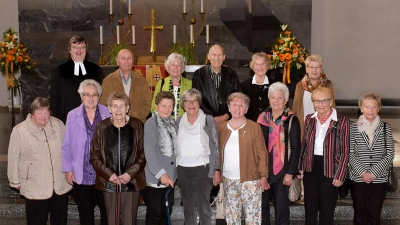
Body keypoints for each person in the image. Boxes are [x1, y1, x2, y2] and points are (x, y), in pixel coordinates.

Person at [8, 97, 72, 225]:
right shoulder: (20, 130)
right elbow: (13, 157)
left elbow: (68, 148)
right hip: (35, 184)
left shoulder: (58, 124)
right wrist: (14, 181)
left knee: (60, 220)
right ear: (32, 113)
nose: (44, 116)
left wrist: (71, 170)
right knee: (36, 221)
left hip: (59, 183)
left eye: (46, 112)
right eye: (39, 112)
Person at [90, 91, 146, 225]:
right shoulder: (101, 127)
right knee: (112, 221)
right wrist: (109, 174)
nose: (118, 110)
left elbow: (143, 153)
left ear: (127, 108)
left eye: (122, 106)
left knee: (129, 221)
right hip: (109, 183)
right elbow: (94, 155)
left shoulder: (137, 125)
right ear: (109, 108)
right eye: (115, 106)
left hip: (131, 182)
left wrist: (129, 174)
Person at [298, 87, 350, 225]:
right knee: (310, 207)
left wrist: (340, 175)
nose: (320, 104)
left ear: (331, 101)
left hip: (331, 168)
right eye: (317, 101)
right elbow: (304, 144)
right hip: (311, 166)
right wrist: (300, 167)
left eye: (324, 101)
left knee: (327, 209)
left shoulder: (342, 121)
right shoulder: (309, 119)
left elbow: (345, 150)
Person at [61, 79, 110, 225]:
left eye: (94, 95)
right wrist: (68, 169)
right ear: (81, 96)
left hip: (104, 173)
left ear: (99, 96)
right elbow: (67, 145)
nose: (91, 98)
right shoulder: (72, 115)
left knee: (106, 212)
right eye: (87, 94)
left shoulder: (108, 112)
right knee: (85, 213)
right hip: (81, 171)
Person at [218, 92, 268, 224]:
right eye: (234, 104)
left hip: (251, 181)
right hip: (229, 180)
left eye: (241, 105)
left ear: (246, 109)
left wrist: (264, 176)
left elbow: (262, 153)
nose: (237, 108)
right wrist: (217, 172)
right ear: (229, 107)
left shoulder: (254, 127)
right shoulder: (222, 128)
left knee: (252, 218)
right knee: (232, 217)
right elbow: (217, 152)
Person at [291, 54, 335, 204]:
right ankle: (305, 193)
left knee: (320, 159)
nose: (314, 70)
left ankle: (322, 190)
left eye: (317, 67)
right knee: (305, 159)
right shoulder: (300, 85)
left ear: (321, 69)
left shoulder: (327, 84)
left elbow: (332, 106)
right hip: (306, 127)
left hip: (323, 126)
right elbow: (296, 107)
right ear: (306, 68)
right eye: (311, 67)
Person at [257, 82, 301, 225]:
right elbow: (256, 145)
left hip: (282, 171)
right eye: (273, 97)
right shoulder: (262, 118)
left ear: (286, 99)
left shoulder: (292, 119)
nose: (276, 101)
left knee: (281, 208)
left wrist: (290, 173)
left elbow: (295, 148)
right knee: (261, 207)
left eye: (279, 98)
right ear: (269, 99)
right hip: (264, 169)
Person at [175, 88, 221, 225]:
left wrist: (216, 169)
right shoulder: (178, 122)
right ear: (183, 104)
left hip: (202, 169)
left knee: (204, 209)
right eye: (187, 101)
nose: (191, 104)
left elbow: (216, 146)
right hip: (183, 169)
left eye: (194, 100)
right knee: (188, 210)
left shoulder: (208, 120)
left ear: (199, 102)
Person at [349, 93, 394, 225]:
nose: (371, 110)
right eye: (367, 107)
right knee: (359, 214)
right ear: (361, 108)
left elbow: (390, 153)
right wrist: (363, 173)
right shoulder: (352, 128)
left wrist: (373, 173)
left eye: (374, 107)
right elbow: (350, 154)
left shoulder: (386, 128)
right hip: (358, 177)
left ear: (378, 108)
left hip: (379, 178)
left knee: (375, 215)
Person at [50, 35, 105, 123]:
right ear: (70, 50)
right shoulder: (59, 71)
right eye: (75, 47)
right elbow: (54, 99)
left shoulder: (96, 70)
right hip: (66, 119)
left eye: (82, 47)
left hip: (92, 119)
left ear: (86, 50)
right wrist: (59, 122)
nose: (78, 51)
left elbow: (102, 96)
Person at [142, 91, 178, 225]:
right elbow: (149, 152)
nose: (167, 109)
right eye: (163, 106)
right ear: (156, 106)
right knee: (154, 215)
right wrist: (161, 174)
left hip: (170, 177)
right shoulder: (151, 124)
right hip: (155, 178)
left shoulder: (172, 123)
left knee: (166, 213)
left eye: (170, 106)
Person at [192, 44, 242, 126]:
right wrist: (210, 117)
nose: (217, 58)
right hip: (205, 121)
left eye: (219, 55)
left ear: (224, 57)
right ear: (208, 57)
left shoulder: (231, 74)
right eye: (214, 55)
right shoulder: (199, 74)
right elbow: (196, 99)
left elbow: (238, 98)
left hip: (228, 121)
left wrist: (225, 116)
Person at [100, 48, 152, 123]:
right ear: (117, 61)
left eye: (129, 58)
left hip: (137, 124)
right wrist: (117, 117)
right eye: (123, 58)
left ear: (133, 61)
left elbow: (147, 103)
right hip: (114, 124)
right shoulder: (107, 81)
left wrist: (134, 117)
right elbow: (103, 104)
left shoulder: (142, 81)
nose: (126, 61)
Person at [151, 53, 192, 119]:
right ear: (168, 67)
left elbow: (194, 105)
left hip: (184, 123)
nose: (175, 68)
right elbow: (154, 105)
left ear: (182, 67)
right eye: (173, 65)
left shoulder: (190, 84)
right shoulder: (161, 83)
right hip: (165, 123)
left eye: (178, 65)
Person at [241, 52, 275, 122]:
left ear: (267, 65)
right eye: (257, 64)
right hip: (250, 126)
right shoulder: (244, 85)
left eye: (263, 64)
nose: (260, 67)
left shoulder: (275, 85)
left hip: (271, 126)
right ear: (253, 66)